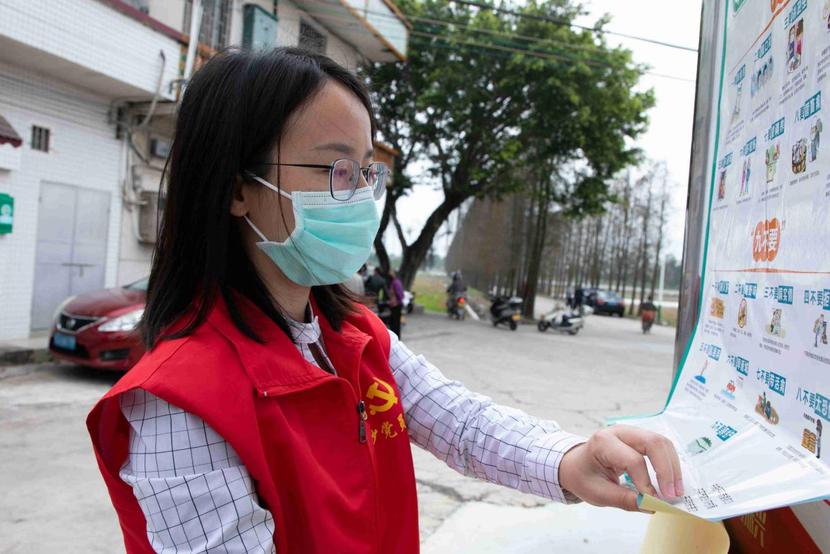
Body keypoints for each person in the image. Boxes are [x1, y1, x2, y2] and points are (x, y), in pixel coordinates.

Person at [86, 47, 683, 553]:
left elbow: (463, 424)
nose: (359, 196)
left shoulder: (353, 336)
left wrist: (571, 458)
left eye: (365, 171)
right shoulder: (178, 404)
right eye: (333, 169)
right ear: (239, 189)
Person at [387, 268, 405, 338]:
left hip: (396, 305)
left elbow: (400, 294)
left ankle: (396, 337)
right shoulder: (395, 282)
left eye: (391, 272)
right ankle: (395, 336)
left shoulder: (395, 282)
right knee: (395, 322)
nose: (389, 273)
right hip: (395, 304)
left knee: (395, 323)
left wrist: (398, 301)